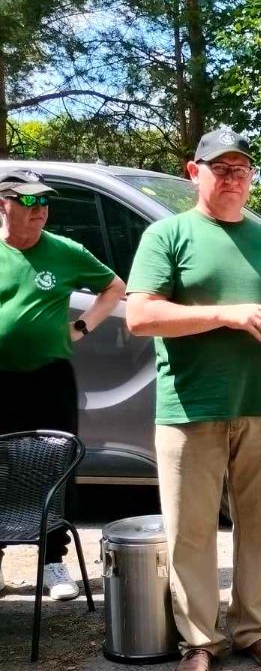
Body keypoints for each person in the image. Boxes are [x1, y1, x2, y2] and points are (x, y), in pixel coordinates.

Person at [126, 128, 261, 671]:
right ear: (194, 171)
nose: (232, 178)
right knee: (191, 531)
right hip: (189, 406)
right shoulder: (167, 235)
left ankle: (254, 630)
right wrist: (226, 315)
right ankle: (200, 641)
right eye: (220, 168)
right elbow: (140, 316)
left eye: (241, 169)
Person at [0, 168, 125, 601]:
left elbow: (114, 287)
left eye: (44, 201)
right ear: (3, 204)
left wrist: (82, 327)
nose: (39, 210)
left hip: (49, 379)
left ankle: (52, 561)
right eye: (28, 201)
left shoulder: (65, 251)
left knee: (53, 466)